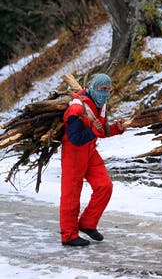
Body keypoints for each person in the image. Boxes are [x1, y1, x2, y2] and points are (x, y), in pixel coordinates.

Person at [60, 73, 125, 246]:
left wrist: (116, 129)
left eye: (108, 89)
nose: (105, 93)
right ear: (93, 88)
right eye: (101, 89)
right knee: (71, 195)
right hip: (73, 153)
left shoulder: (100, 104)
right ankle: (69, 236)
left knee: (105, 186)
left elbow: (100, 130)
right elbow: (74, 137)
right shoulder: (77, 107)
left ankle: (87, 224)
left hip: (90, 150)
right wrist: (95, 132)